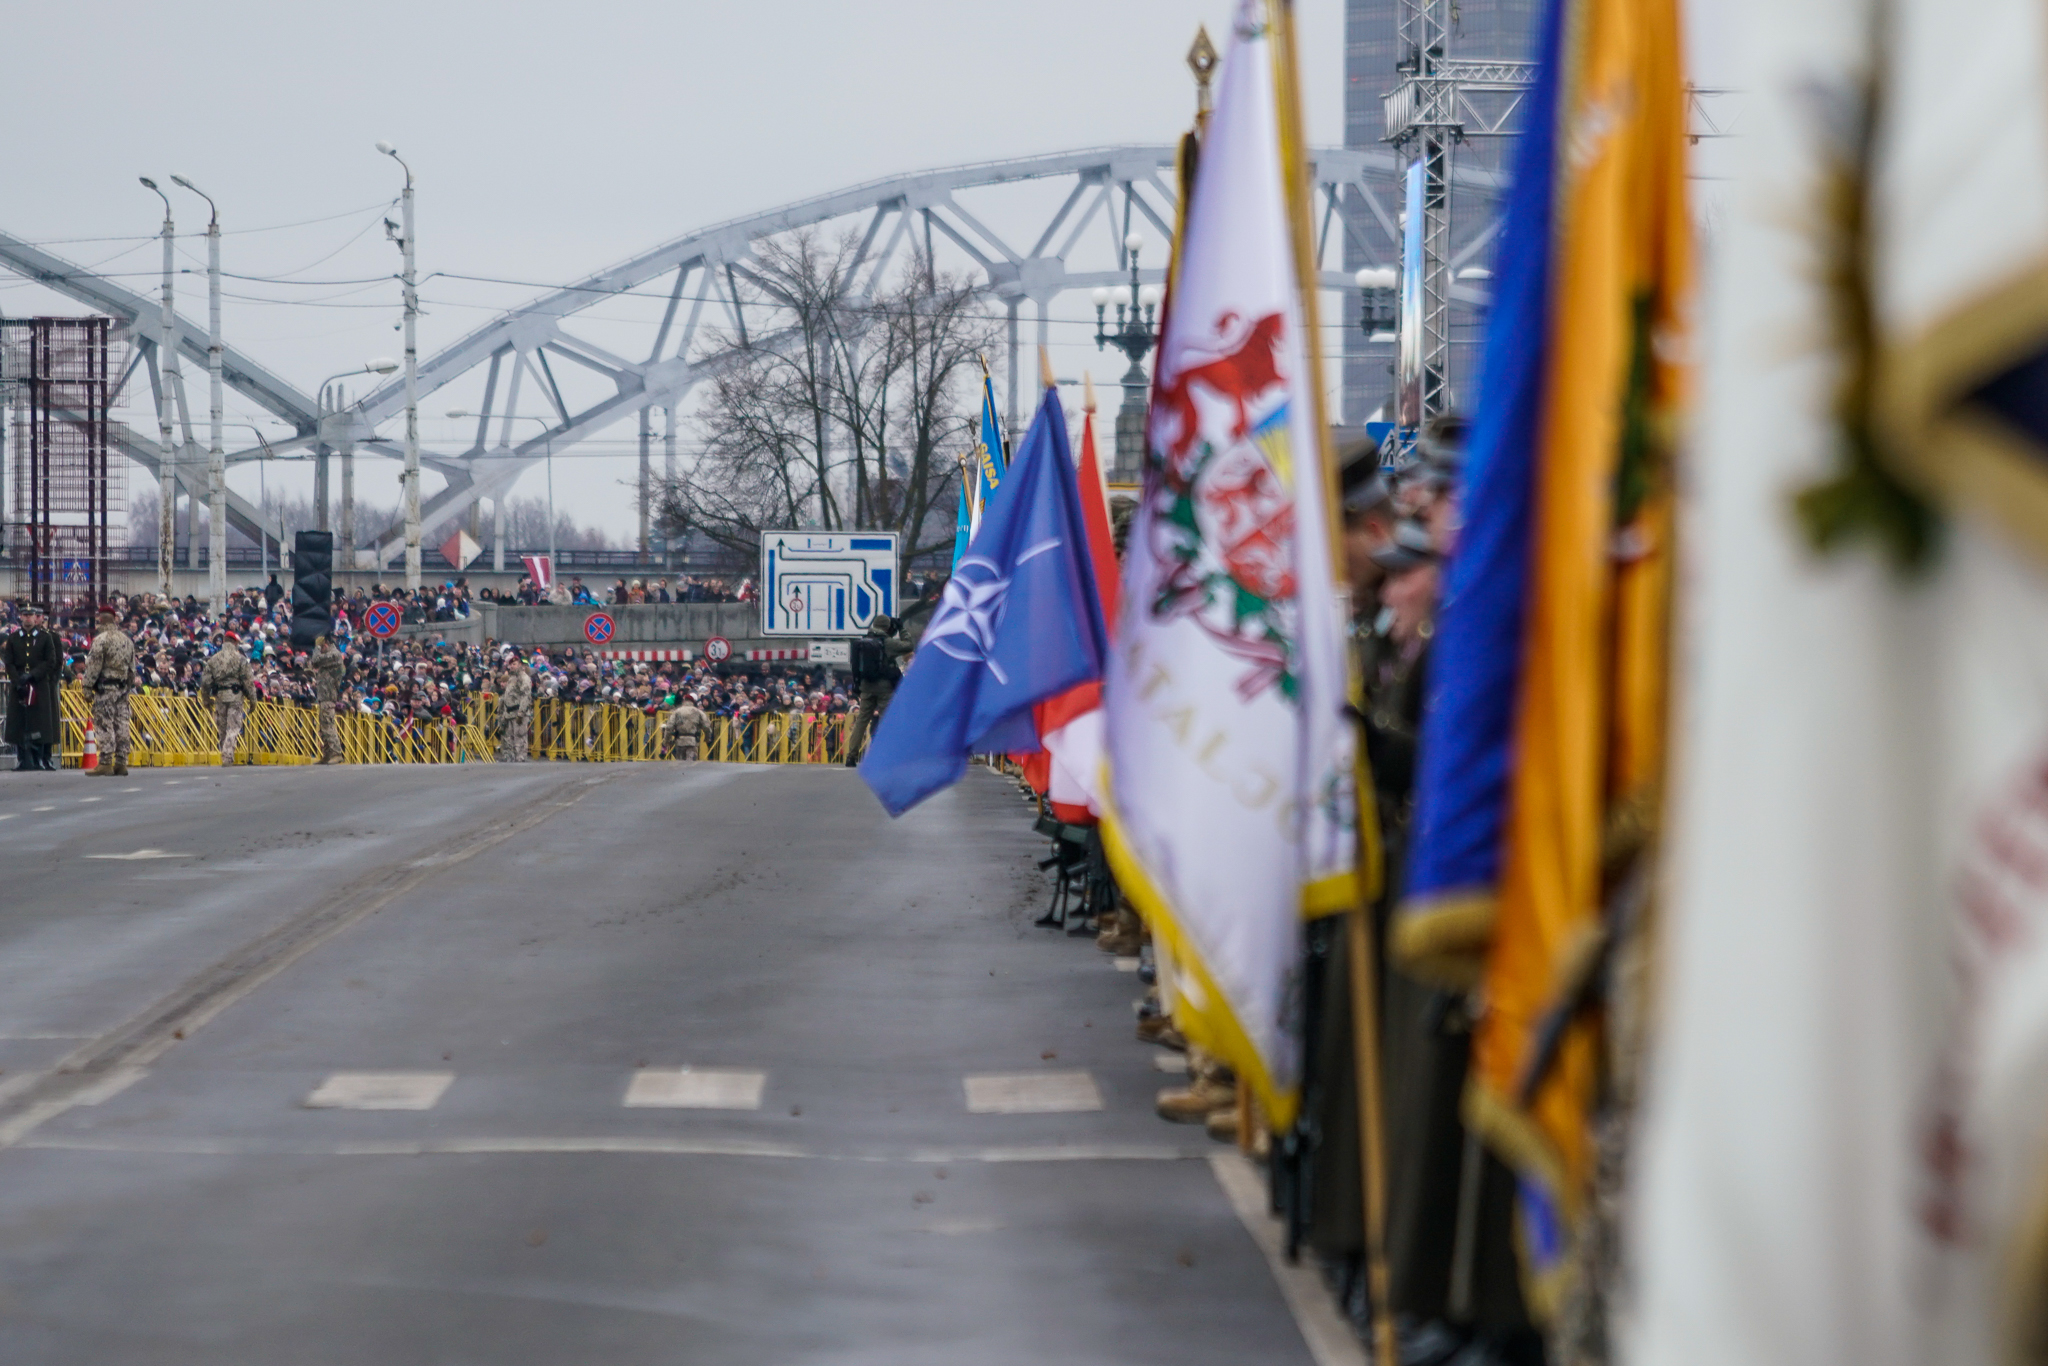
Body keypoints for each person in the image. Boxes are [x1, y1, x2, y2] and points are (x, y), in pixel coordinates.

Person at [843, 613, 911, 766]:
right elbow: (908, 645)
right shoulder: (888, 643)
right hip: (884, 687)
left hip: (866, 686)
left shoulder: (864, 641)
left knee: (861, 721)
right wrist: (901, 629)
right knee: (887, 721)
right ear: (887, 627)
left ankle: (851, 756)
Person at [3, 603, 62, 771]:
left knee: (39, 722)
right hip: (20, 685)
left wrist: (33, 675)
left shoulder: (45, 637)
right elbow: (9, 662)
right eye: (25, 615)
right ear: (21, 617)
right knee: (20, 721)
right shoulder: (14, 638)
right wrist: (17, 680)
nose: (28, 618)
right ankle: (23, 758)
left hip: (39, 684)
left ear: (35, 617)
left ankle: (40, 758)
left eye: (31, 615)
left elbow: (50, 661)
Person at [78, 606, 136, 776]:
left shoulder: (101, 640)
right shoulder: (127, 640)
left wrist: (87, 687)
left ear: (101, 620)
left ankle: (105, 761)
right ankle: (121, 762)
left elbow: (94, 666)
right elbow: (132, 669)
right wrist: (127, 687)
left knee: (104, 723)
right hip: (122, 688)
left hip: (106, 688)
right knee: (122, 723)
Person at [199, 631, 255, 766]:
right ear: (235, 643)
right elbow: (248, 681)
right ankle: (228, 755)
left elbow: (205, 682)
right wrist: (253, 700)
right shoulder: (240, 659)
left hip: (219, 696)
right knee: (233, 727)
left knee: (222, 728)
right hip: (235, 696)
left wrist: (206, 700)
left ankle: (225, 755)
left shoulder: (213, 659)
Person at [308, 634, 346, 765]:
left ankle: (336, 753)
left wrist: (316, 648)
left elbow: (315, 661)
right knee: (323, 726)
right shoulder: (330, 656)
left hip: (329, 695)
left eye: (321, 647)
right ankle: (328, 753)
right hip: (324, 695)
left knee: (328, 725)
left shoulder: (334, 655)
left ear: (325, 645)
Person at [498, 650, 533, 762]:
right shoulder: (511, 678)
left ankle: (520, 757)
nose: (512, 666)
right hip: (509, 712)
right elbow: (507, 695)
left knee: (519, 736)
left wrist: (521, 712)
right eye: (511, 664)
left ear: (520, 665)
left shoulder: (524, 678)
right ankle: (510, 757)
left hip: (518, 711)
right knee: (508, 737)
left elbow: (525, 695)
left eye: (514, 664)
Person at [662, 691, 707, 760]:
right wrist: (708, 737)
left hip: (680, 741)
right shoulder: (698, 712)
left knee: (680, 764)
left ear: (684, 701)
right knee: (691, 764)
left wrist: (666, 741)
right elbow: (706, 725)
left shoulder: (677, 711)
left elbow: (669, 727)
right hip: (692, 741)